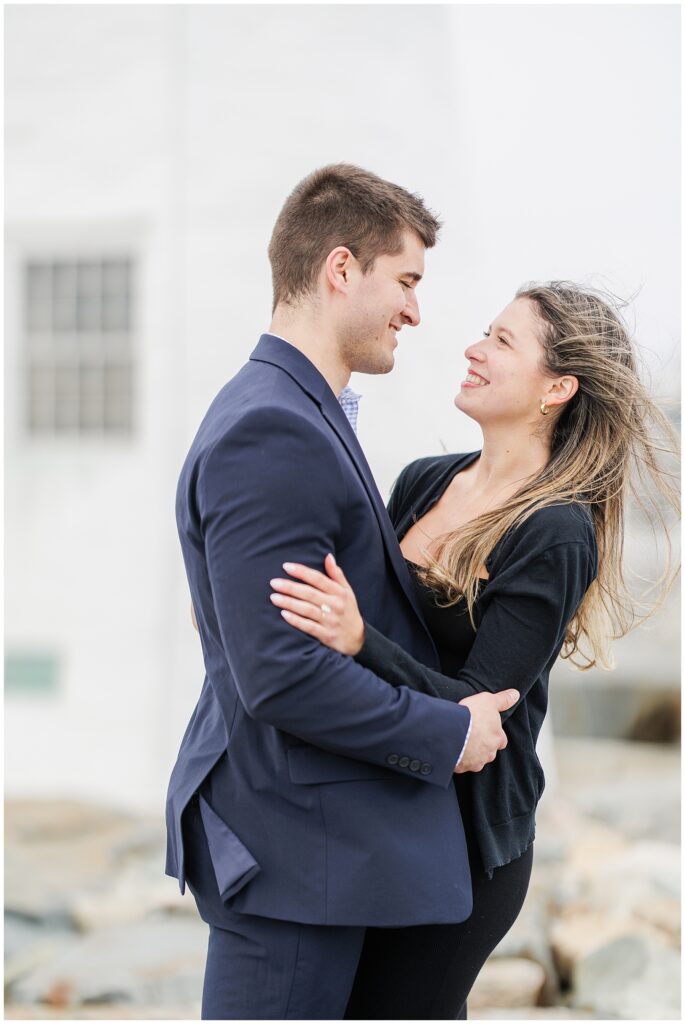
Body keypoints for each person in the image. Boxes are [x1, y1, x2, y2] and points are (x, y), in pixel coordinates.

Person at [166, 163, 520, 1020]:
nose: (415, 309)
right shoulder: (272, 426)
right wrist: (447, 731)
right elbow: (282, 674)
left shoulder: (298, 409)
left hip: (315, 854)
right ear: (338, 270)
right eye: (404, 280)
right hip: (294, 859)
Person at [269, 281, 680, 1018]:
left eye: (501, 341)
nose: (472, 348)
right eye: (483, 332)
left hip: (465, 840)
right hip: (381, 809)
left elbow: (477, 713)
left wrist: (360, 639)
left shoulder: (554, 532)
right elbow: (348, 598)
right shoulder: (423, 481)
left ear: (556, 386)